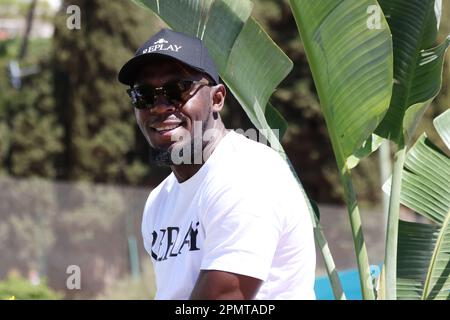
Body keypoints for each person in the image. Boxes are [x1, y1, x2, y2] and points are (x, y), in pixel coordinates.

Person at [118, 28, 316, 300]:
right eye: (144, 95)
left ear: (217, 98)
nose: (160, 107)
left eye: (178, 89)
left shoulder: (248, 175)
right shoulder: (158, 201)